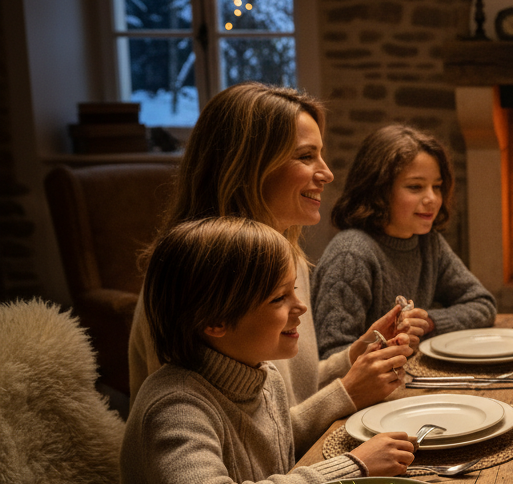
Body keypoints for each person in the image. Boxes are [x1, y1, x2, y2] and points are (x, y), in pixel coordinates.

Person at [102, 217, 418, 484]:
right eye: (279, 297)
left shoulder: (261, 373)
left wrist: (347, 392)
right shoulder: (174, 405)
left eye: (294, 290)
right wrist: (354, 466)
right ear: (215, 320)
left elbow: (277, 435)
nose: (300, 306)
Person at [127, 82, 429, 441]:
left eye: (320, 154)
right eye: (305, 156)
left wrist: (355, 355)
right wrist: (346, 393)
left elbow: (288, 391)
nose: (327, 173)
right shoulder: (196, 281)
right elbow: (247, 448)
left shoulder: (287, 257)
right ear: (247, 166)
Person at [312, 124, 496, 359]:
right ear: (378, 190)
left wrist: (428, 322)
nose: (432, 198)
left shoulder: (429, 243)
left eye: (437, 187)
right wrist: (389, 341)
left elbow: (483, 303)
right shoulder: (351, 255)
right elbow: (331, 355)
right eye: (415, 187)